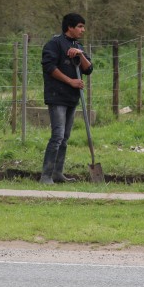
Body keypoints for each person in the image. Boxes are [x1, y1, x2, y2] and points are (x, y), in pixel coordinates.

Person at [40, 13, 93, 184]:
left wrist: (80, 53)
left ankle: (57, 173)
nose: (82, 30)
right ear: (69, 27)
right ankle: (46, 176)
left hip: (72, 98)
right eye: (79, 26)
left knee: (65, 138)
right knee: (57, 136)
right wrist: (70, 81)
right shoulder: (54, 44)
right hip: (57, 97)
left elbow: (88, 69)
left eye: (83, 27)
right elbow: (49, 67)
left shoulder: (77, 45)